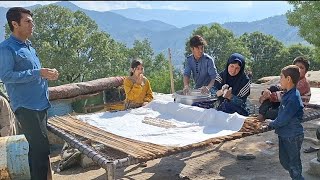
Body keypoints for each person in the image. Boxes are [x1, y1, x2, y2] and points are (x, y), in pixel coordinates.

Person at [0, 7, 59, 180]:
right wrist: (38, 73)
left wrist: (48, 75)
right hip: (26, 107)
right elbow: (6, 76)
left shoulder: (29, 47)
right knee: (41, 150)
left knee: (37, 151)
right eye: (27, 21)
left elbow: (35, 74)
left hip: (41, 104)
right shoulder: (6, 48)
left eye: (32, 21)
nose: (32, 24)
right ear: (15, 24)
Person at [266, 65, 304, 180]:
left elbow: (283, 119)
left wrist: (271, 123)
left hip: (292, 136)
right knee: (285, 161)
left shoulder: (293, 97)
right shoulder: (288, 94)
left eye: (281, 77)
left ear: (288, 79)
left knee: (294, 165)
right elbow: (282, 113)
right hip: (285, 134)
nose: (280, 80)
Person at [257, 56, 311, 121]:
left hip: (293, 109)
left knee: (270, 113)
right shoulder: (291, 79)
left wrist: (268, 96)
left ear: (305, 71)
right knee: (273, 88)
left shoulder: (302, 84)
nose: (298, 70)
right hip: (285, 103)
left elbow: (286, 95)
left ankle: (263, 115)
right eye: (296, 67)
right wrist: (266, 91)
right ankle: (262, 114)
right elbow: (280, 86)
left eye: (301, 68)